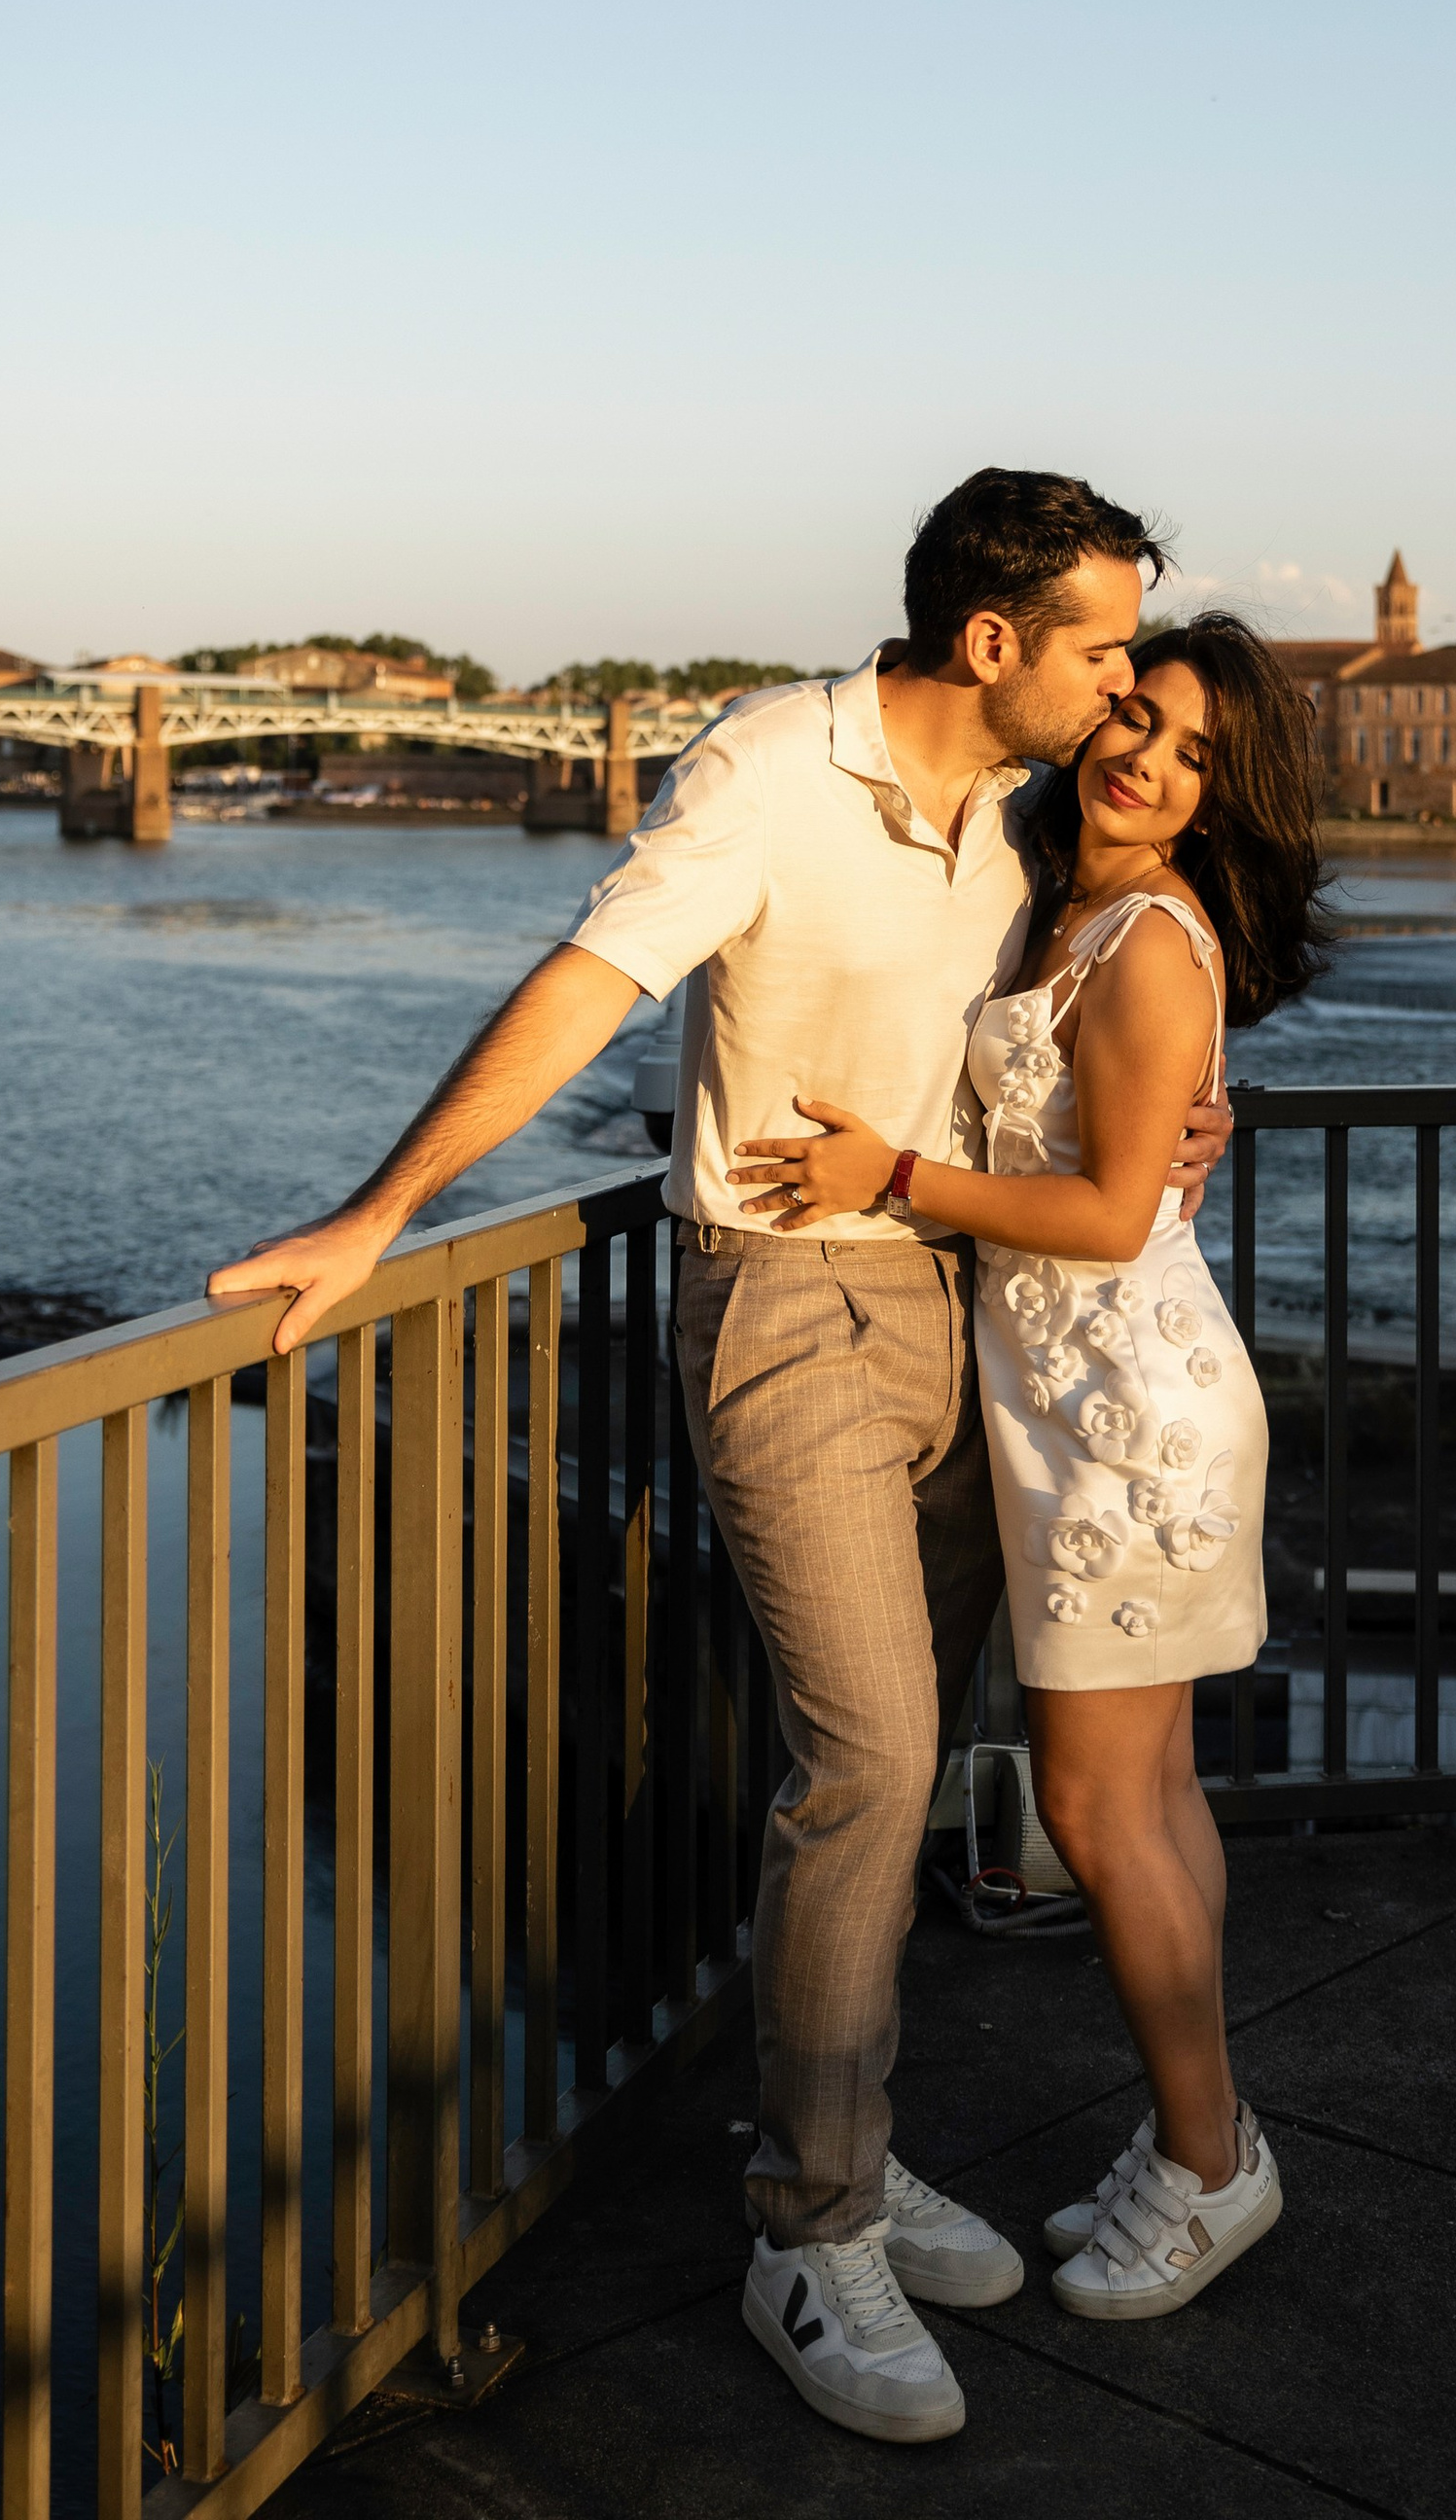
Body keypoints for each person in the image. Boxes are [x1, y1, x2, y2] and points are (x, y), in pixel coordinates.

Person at [204, 470, 1232, 2446]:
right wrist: (373, 1213)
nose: (1121, 691)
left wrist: (1198, 1118)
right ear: (991, 639)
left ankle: (839, 2136)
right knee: (869, 1763)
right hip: (783, 1310)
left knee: (884, 1762)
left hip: (958, 1307)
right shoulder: (766, 769)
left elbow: (1114, 1000)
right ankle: (803, 2229)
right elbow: (582, 991)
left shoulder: (1017, 812)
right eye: (1101, 646)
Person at [738, 611, 1324, 2323]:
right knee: (1154, 1797)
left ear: (1223, 797)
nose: (1143, 754)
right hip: (1086, 1398)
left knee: (1087, 1805)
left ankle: (1213, 2167)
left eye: (1192, 749)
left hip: (1120, 1416)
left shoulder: (1144, 935)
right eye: (1135, 713)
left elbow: (1108, 1207)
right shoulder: (1056, 890)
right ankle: (1202, 2145)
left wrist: (896, 1173)